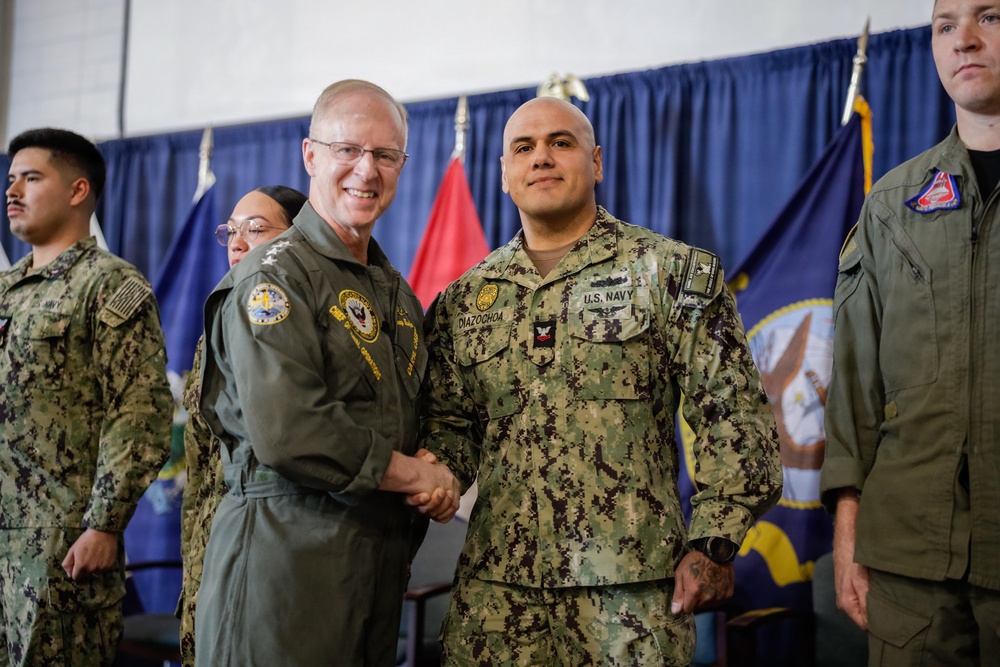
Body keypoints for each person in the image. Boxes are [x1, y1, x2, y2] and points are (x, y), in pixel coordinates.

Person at [418, 97, 782, 666]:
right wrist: (436, 473)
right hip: (497, 596)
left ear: (597, 162)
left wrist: (715, 542)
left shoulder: (669, 272)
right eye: (524, 148)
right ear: (506, 175)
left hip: (628, 595)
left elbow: (731, 413)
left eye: (560, 143)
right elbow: (450, 427)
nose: (542, 157)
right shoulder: (463, 302)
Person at [194, 80, 460, 667]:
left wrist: (440, 472)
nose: (367, 170)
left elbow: (415, 414)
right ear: (311, 156)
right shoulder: (274, 278)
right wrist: (413, 474)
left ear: (402, 166)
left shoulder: (395, 293)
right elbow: (291, 431)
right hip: (285, 567)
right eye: (348, 150)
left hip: (374, 570)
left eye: (385, 154)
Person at [821, 0, 1000, 663]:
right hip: (909, 562)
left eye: (990, 17)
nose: (964, 40)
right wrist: (848, 522)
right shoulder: (891, 207)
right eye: (946, 25)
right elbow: (853, 382)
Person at [1, 128, 171, 665]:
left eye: (31, 178)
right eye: (11, 179)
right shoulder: (7, 289)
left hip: (60, 548)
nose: (12, 191)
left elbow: (138, 413)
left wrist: (104, 523)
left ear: (78, 190)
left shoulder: (109, 284)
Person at [177, 184, 307, 667]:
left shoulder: (308, 324)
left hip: (271, 555)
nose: (236, 242)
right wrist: (193, 560)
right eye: (230, 231)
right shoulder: (215, 328)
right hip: (210, 550)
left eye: (255, 229)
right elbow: (198, 466)